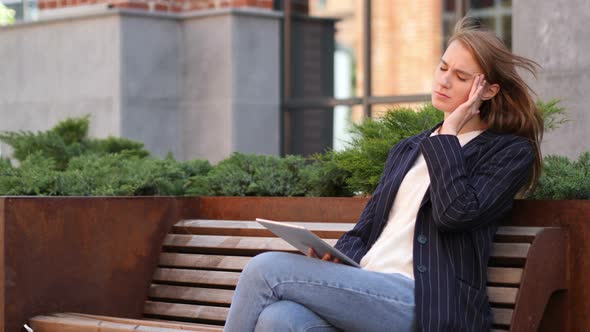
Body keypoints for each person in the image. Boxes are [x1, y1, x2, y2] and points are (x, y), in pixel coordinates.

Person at [223, 16, 543, 332]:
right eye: (443, 67)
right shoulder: (409, 149)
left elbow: (454, 213)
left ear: (487, 91)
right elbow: (366, 231)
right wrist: (336, 260)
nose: (443, 80)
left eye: (460, 76)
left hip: (424, 303)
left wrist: (448, 135)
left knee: (265, 269)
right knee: (279, 318)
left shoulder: (509, 152)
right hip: (369, 290)